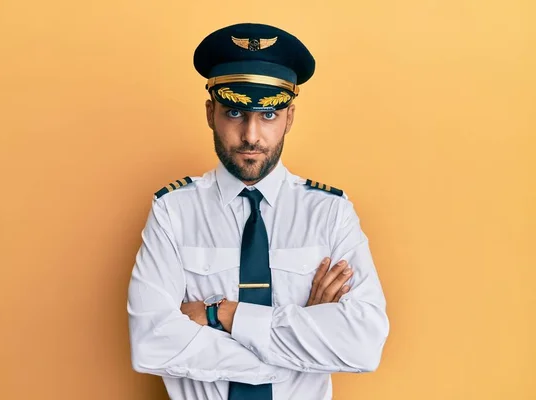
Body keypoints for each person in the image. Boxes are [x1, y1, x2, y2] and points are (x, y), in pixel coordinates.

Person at [127, 22, 389, 400]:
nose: (251, 135)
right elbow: (151, 342)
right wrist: (304, 340)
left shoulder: (330, 213)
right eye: (234, 113)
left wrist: (223, 315)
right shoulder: (173, 211)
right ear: (209, 113)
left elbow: (362, 344)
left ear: (290, 118)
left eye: (268, 115)